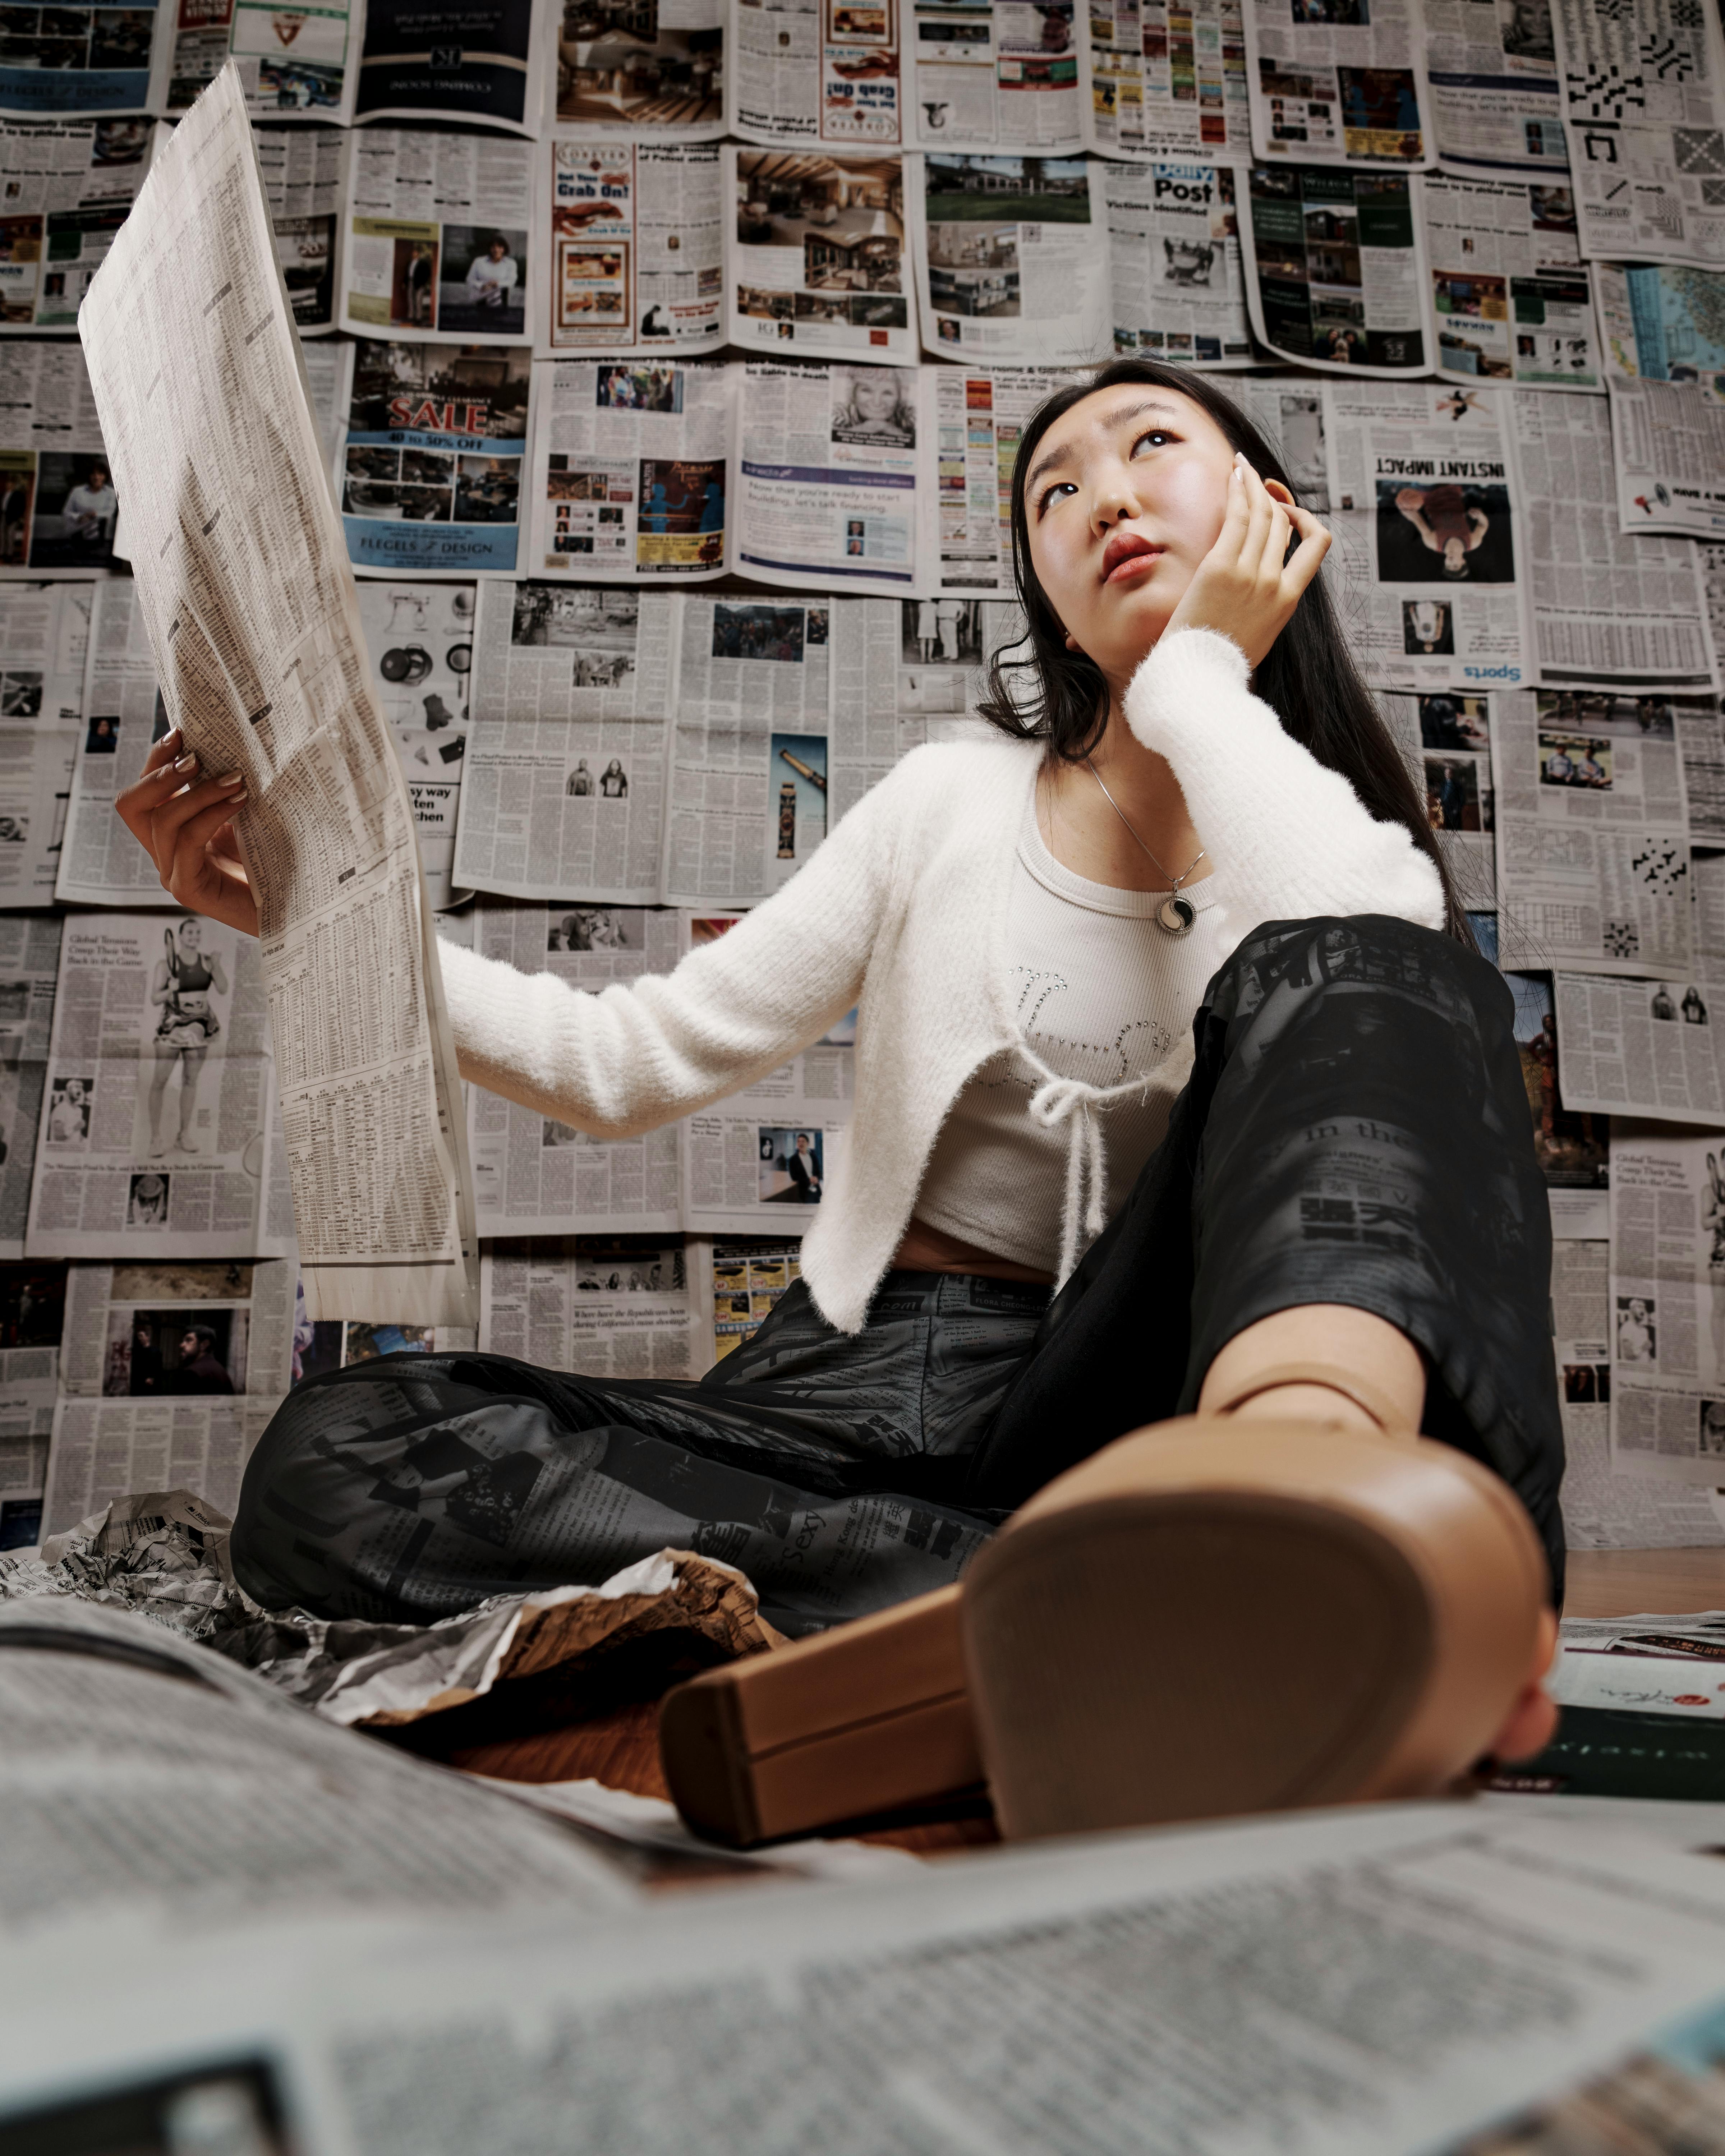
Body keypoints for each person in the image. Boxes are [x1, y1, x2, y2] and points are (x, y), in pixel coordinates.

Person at [118, 359, 1562, 1786]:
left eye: (1148, 447)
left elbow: (1369, 943)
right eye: (1056, 491)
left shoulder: (1317, 838)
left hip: (1166, 1396)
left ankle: (1284, 1499)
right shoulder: (952, 801)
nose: (1103, 496)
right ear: (1045, 593)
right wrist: (312, 919)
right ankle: (1119, 1612)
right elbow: (624, 1061)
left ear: (1268, 508)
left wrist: (1195, 680)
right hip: (856, 1399)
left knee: (1372, 964)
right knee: (345, 1455)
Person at [146, 918, 227, 1157]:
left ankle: (184, 1135)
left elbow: (222, 988)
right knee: (160, 1080)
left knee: (191, 1080)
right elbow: (154, 999)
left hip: (200, 1026)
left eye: (197, 932)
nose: (194, 936)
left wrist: (217, 966)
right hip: (172, 1025)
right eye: (189, 932)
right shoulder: (165, 965)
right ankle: (155, 1139)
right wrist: (170, 989)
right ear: (180, 937)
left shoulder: (207, 962)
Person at [1394, 484, 1489, 578]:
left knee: (1411, 488)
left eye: (1448, 565)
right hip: (1454, 491)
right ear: (1463, 561)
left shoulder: (1433, 543)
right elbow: (1483, 525)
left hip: (1429, 493)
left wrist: (1404, 507)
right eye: (1455, 566)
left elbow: (1417, 519)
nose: (1451, 562)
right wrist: (1481, 516)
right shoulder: (1473, 542)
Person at [62, 462, 116, 553]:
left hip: (101, 537)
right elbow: (66, 512)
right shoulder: (77, 491)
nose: (97, 477)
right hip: (77, 534)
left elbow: (110, 512)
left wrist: (95, 515)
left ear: (105, 476)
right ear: (89, 476)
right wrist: (80, 517)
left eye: (100, 474)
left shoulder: (111, 493)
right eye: (93, 474)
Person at [171, 1322, 235, 1395]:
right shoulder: (217, 1367)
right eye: (183, 1341)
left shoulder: (192, 1373)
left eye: (189, 1340)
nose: (182, 1345)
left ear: (204, 1345)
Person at [465, 235, 518, 314]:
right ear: (490, 248)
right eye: (493, 247)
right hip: (481, 300)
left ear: (504, 249)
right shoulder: (479, 262)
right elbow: (470, 279)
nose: (496, 250)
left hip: (501, 301)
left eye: (500, 247)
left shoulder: (511, 263)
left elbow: (512, 281)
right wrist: (482, 286)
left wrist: (497, 284)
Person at [785, 1130, 821, 1201]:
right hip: (805, 1190)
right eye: (799, 1142)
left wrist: (817, 1178)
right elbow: (794, 1177)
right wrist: (809, 1180)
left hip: (817, 1188)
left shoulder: (814, 1157)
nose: (800, 1143)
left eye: (803, 1141)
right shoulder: (793, 1160)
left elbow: (819, 1172)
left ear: (808, 1144)